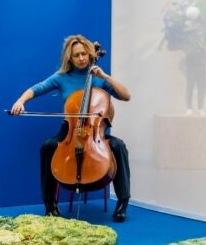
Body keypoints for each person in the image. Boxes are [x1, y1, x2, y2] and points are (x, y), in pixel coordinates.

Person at [9, 34, 133, 222]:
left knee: (119, 146)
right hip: (69, 131)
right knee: (48, 146)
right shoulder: (61, 78)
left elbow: (126, 96)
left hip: (96, 133)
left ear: (90, 54)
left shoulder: (99, 77)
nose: (81, 58)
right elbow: (37, 88)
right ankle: (50, 204)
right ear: (70, 58)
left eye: (84, 54)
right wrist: (20, 101)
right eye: (76, 55)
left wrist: (105, 76)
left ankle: (123, 202)